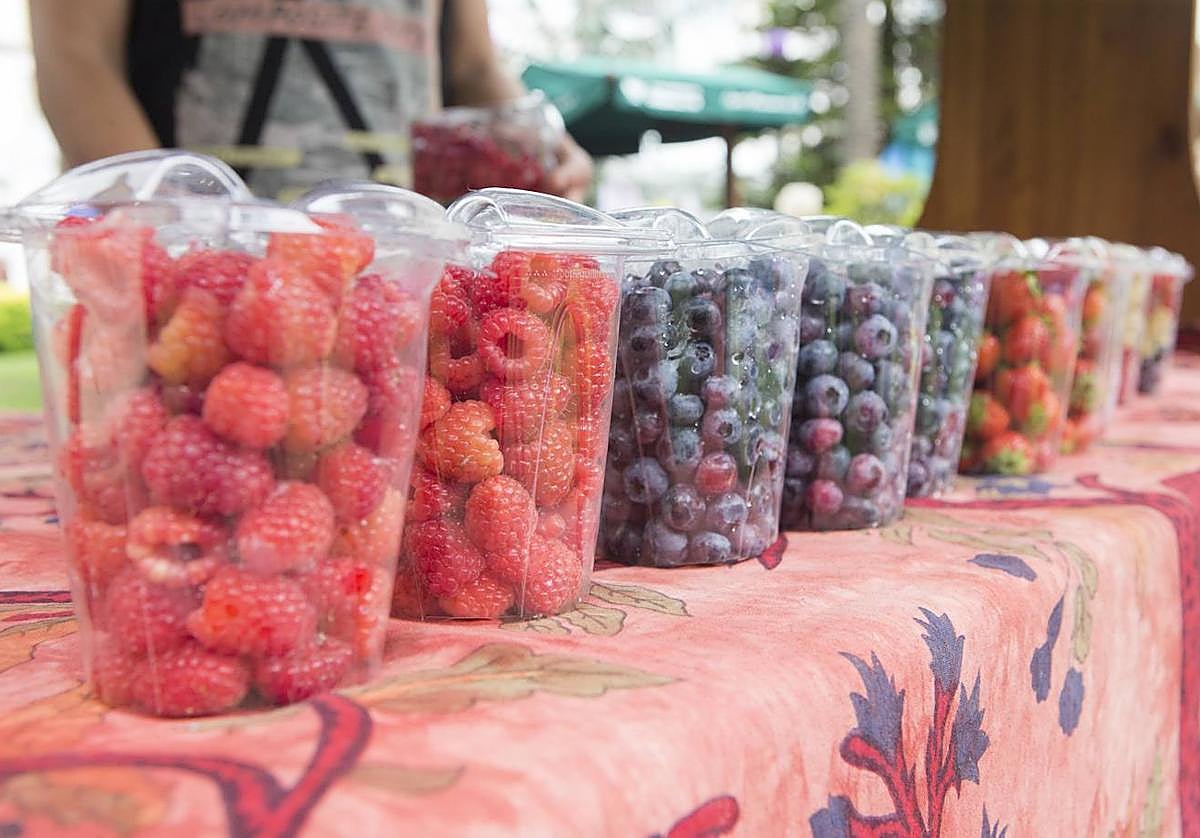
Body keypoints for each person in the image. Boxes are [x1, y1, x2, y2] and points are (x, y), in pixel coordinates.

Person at [29, 0, 592, 201]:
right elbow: (76, 58)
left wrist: (541, 143)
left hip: (398, 269)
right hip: (190, 270)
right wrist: (173, 237)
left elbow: (471, 67)